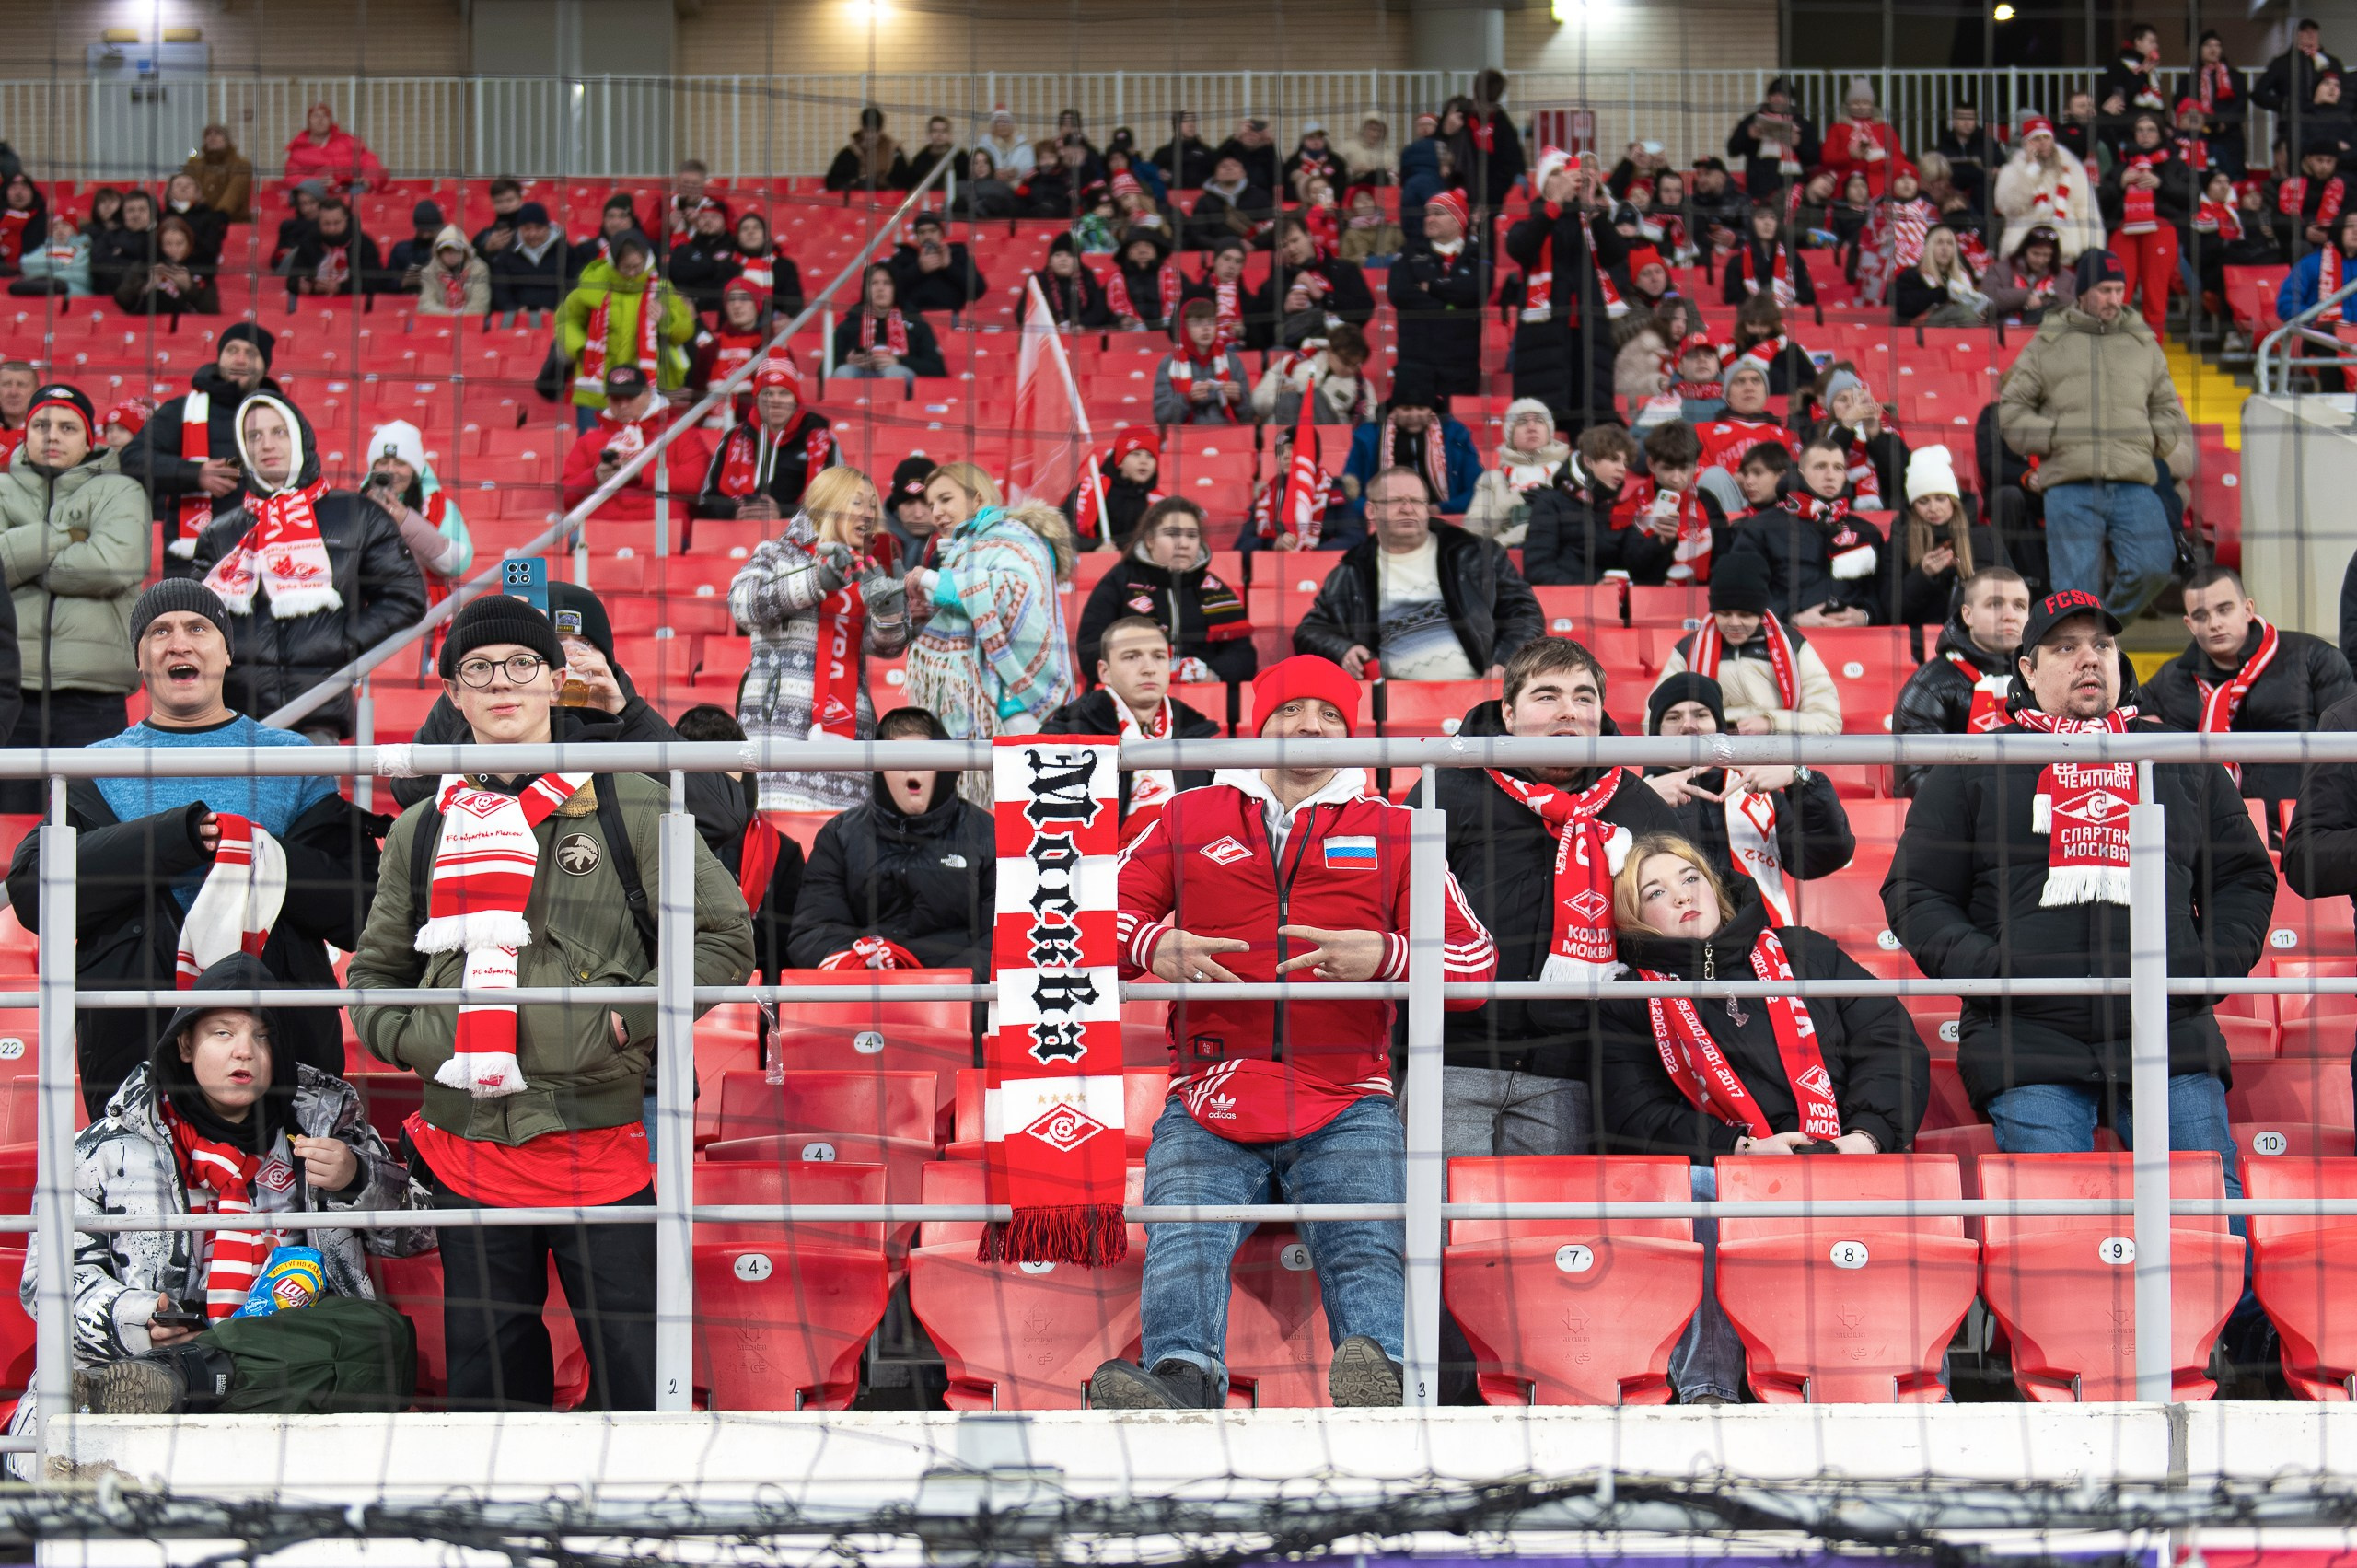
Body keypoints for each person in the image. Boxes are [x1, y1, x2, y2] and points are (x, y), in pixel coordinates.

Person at [349, 595, 755, 1414]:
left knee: (634, 1368)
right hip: (467, 1140)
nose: (502, 682)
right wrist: (427, 1036)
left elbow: (725, 942)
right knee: (490, 1385)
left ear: (557, 682)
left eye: (522, 664)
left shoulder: (630, 800)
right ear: (453, 696)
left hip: (603, 1133)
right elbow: (373, 976)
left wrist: (620, 1020)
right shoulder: (420, 828)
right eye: (478, 669)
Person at [1092, 654, 1497, 1410]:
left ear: (1354, 732)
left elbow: (1473, 964)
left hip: (1346, 1093)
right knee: (1182, 1234)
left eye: (1331, 715)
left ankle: (1381, 1383)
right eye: (1290, 711)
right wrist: (1154, 946)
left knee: (1367, 1242)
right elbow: (1084, 920)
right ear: (1259, 723)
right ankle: (1182, 1381)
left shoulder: (1400, 827)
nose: (1309, 726)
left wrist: (1387, 956)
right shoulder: (1187, 814)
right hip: (1211, 1092)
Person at [1883, 588, 2275, 1171]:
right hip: (2026, 1041)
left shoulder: (2179, 757)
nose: (2089, 658)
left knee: (2213, 1217)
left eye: (2102, 645)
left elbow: (2243, 876)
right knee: (2058, 1225)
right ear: (2028, 670)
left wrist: (2200, 969)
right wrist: (1999, 974)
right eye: (2065, 647)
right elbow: (1915, 893)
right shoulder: (1973, 766)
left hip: (2168, 1036)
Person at [8, 573, 374, 1111]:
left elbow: (361, 905)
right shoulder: (89, 767)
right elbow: (36, 893)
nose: (179, 642)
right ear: (140, 660)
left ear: (226, 652)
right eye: (159, 632)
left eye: (198, 627)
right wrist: (170, 840)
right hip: (135, 1039)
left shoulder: (293, 759)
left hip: (278, 1032)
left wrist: (256, 853)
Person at [11, 952, 425, 1423]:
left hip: (290, 1362)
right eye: (223, 1033)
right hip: (132, 1368)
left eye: (263, 1036)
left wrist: (359, 1179)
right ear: (185, 1045)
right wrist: (137, 1315)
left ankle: (188, 1378)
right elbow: (47, 1284)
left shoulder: (326, 1129)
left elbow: (420, 1234)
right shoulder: (101, 1149)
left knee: (381, 1331)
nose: (244, 1051)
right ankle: (175, 1378)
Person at [1587, 834, 1928, 1405]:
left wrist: (1866, 1138)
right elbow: (1632, 1116)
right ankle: (1710, 1390)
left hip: (1847, 1151)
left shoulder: (1804, 952)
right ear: (1635, 919)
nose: (1680, 896)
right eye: (1655, 891)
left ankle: (1884, 1382)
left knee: (1909, 1183)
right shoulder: (1627, 1001)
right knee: (1698, 1193)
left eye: (1690, 878)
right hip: (1729, 1169)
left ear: (1714, 887)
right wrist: (1739, 1151)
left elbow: (1889, 1043)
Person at [1411, 637, 1678, 1160]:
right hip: (1453, 1059)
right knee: (1442, 1230)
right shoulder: (1448, 786)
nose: (1569, 713)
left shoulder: (1636, 802)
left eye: (1584, 697)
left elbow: (1686, 919)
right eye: (1547, 696)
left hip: (1573, 1068)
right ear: (1508, 713)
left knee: (1540, 1237)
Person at [382, 584, 749, 865]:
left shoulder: (632, 728)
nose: (570, 658)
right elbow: (412, 791)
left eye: (583, 643)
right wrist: (473, 683)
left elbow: (720, 819)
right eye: (554, 645)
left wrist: (627, 714)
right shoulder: (496, 722)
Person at [187, 393, 427, 741]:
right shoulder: (220, 532)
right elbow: (197, 620)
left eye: (279, 432)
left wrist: (341, 643)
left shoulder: (358, 515)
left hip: (316, 716)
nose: (267, 444)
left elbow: (406, 597)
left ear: (300, 437)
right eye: (254, 436)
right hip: (233, 722)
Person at [1997, 248, 2189, 619]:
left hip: (2134, 479)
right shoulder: (2048, 341)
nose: (2115, 299)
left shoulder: (2143, 342)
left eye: (2120, 290)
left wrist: (2151, 441)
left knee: (2155, 566)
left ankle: (2104, 630)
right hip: (2070, 482)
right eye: (2105, 290)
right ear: (2083, 291)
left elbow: (2168, 409)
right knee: (2075, 594)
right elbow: (2012, 411)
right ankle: (2083, 652)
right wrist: (2054, 435)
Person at [727, 466, 910, 814]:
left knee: (837, 848)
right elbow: (743, 606)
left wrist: (889, 615)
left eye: (873, 504)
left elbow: (884, 645)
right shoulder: (777, 552)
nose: (869, 513)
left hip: (848, 734)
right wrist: (816, 580)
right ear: (828, 503)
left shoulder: (868, 566)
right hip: (778, 727)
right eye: (857, 502)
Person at [903, 464, 1076, 803]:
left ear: (977, 497)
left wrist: (932, 581)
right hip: (985, 711)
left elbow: (1009, 594)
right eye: (931, 503)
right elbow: (972, 618)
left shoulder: (1013, 536)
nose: (935, 512)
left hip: (1020, 706)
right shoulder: (968, 548)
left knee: (1034, 812)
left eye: (946, 499)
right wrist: (930, 613)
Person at [784, 703, 992, 974]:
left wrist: (941, 985)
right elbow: (812, 932)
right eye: (898, 760)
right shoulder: (840, 836)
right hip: (864, 995)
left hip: (959, 999)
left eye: (923, 759)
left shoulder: (985, 834)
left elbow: (1002, 940)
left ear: (943, 767)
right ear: (880, 769)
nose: (911, 771)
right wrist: (866, 965)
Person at [1295, 465, 1541, 682]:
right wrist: (1344, 649)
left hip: (1479, 695)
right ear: (1371, 511)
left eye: (1417, 501)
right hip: (1393, 702)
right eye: (1395, 501)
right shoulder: (1353, 570)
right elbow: (1309, 631)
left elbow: (1525, 612)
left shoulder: (1476, 554)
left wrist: (1504, 660)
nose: (1408, 509)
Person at [1643, 674, 1856, 919]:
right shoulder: (1634, 796)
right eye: (1673, 717)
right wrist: (1640, 800)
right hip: (1674, 950)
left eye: (1701, 715)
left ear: (1719, 726)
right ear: (1657, 732)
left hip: (1763, 946)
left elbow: (1822, 859)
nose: (1689, 725)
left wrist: (1801, 779)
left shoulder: (1759, 788)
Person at [2144, 564, 2355, 810]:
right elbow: (2119, 715)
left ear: (2248, 610)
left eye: (2224, 610)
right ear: (2189, 624)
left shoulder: (2314, 658)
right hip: (2207, 831)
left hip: (2301, 825)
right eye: (2201, 616)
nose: (2214, 624)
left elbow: (2348, 745)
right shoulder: (2170, 679)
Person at [1043, 615, 1223, 833]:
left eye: (1158, 656)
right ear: (1104, 672)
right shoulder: (1066, 735)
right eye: (1131, 657)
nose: (1149, 668)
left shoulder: (1197, 733)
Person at [122, 324, 279, 563]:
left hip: (267, 553)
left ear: (265, 366)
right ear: (219, 358)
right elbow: (130, 459)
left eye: (251, 353)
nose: (239, 359)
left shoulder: (282, 414)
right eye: (231, 350)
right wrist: (195, 473)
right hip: (194, 560)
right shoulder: (181, 409)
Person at [1654, 553, 1841, 735]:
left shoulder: (1793, 645)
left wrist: (1771, 722)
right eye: (1725, 614)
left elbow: (1828, 721)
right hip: (1709, 757)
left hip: (1780, 756)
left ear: (1761, 614)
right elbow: (1654, 721)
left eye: (1745, 615)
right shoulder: (1688, 650)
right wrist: (1708, 727)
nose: (1735, 623)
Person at [1074, 496, 1254, 686]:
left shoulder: (1215, 589)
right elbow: (1091, 650)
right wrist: (1143, 672)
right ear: (1150, 539)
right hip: (1131, 696)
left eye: (1192, 536)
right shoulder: (1118, 583)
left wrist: (1210, 672)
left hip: (1205, 694)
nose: (1183, 543)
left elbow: (1244, 656)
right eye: (1172, 534)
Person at [1505, 148, 1625, 430]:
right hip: (1543, 341)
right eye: (1558, 175)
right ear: (1545, 183)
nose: (1569, 181)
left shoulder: (1592, 222)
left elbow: (1617, 254)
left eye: (1573, 176)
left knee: (1590, 422)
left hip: (1589, 338)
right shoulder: (1534, 219)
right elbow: (1521, 247)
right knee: (1540, 424)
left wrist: (1591, 208)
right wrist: (1555, 205)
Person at [1891, 565, 2032, 796]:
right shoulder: (1929, 685)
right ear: (1968, 615)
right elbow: (1917, 781)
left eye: (2019, 605)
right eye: (1995, 604)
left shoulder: (2044, 678)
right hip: (1960, 823)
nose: (2010, 615)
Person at [1726, 434, 1887, 627]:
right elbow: (1741, 590)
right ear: (1800, 472)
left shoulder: (1866, 531)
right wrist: (1792, 619)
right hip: (1783, 641)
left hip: (1856, 642)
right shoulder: (1761, 527)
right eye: (1820, 467)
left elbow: (1882, 592)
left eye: (1838, 468)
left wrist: (1864, 616)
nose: (1830, 475)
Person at [556, 230, 697, 424]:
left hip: (642, 391)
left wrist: (665, 318)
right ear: (613, 263)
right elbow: (565, 321)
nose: (632, 273)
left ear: (647, 261)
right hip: (596, 388)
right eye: (625, 268)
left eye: (637, 267)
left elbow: (685, 331)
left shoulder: (661, 288)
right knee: (593, 450)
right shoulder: (592, 284)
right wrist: (581, 348)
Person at [1336, 377, 1480, 542]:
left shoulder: (1456, 435)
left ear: (1432, 409)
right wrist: (1377, 510)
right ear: (1393, 410)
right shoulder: (1368, 437)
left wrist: (1440, 509)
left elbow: (1477, 488)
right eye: (1406, 409)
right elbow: (1349, 490)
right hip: (1382, 523)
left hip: (1446, 520)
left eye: (1421, 408)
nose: (1414, 415)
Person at [694, 359, 836, 522]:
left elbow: (836, 506)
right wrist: (735, 512)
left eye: (784, 393)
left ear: (796, 400)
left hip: (799, 539)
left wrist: (781, 515)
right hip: (739, 538)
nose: (775, 401)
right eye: (768, 393)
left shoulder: (823, 441)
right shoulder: (733, 437)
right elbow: (706, 502)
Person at [1388, 190, 1488, 402]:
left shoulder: (1477, 256)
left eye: (1438, 213)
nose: (1430, 219)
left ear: (1457, 220)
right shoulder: (1409, 254)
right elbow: (1400, 293)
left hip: (1461, 369)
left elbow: (1477, 291)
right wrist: (1450, 305)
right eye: (1428, 214)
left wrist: (1430, 287)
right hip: (1415, 366)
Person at [2101, 113, 2194, 337]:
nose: (2145, 134)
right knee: (2116, 292)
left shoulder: (2174, 164)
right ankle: (2113, 352)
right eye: (2140, 130)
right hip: (2124, 229)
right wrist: (2120, 183)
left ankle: (2153, 357)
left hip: (2160, 228)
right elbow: (2101, 201)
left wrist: (2162, 184)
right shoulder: (2121, 165)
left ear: (2161, 134)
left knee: (2156, 295)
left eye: (2151, 129)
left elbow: (2192, 196)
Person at [361, 420, 473, 601]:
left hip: (425, 618)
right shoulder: (355, 506)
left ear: (414, 470)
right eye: (382, 462)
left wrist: (406, 522)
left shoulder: (441, 509)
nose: (390, 470)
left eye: (400, 463)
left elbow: (458, 563)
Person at [1521, 424, 1641, 585]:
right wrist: (1591, 590)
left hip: (1612, 604)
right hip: (1562, 604)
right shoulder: (1550, 503)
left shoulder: (1620, 510)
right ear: (1588, 461)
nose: (1621, 469)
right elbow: (1537, 570)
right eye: (1614, 460)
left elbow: (1637, 569)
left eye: (1625, 463)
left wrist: (1661, 542)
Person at [1886, 444, 1987, 628]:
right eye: (1923, 502)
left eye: (1941, 498)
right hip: (1920, 639)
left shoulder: (1983, 537)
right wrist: (1922, 576)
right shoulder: (1899, 541)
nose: (1933, 508)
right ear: (1912, 505)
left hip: (1976, 636)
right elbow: (1891, 613)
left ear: (1953, 500)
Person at [1464, 398, 1571, 545]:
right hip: (1506, 554)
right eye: (1522, 422)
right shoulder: (1492, 478)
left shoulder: (1568, 472)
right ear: (1510, 436)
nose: (1531, 427)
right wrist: (1512, 502)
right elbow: (1472, 531)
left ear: (1549, 431)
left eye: (1539, 421)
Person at [830, 263, 946, 384]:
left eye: (887, 283)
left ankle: (892, 401)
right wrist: (847, 361)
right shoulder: (848, 325)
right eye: (874, 283)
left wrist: (898, 361)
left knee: (894, 372)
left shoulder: (917, 324)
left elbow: (937, 369)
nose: (880, 288)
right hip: (860, 374)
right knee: (843, 371)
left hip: (899, 376)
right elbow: (823, 370)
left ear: (896, 288)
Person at [1251, 324, 1376, 428]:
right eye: (1346, 362)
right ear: (1330, 350)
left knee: (1315, 397)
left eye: (1356, 365)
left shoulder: (1362, 387)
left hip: (1331, 441)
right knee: (1289, 398)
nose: (1350, 369)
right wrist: (1277, 395)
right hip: (1286, 432)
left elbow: (1367, 426)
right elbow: (1257, 403)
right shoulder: (1292, 363)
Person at [1152, 298, 1251, 426]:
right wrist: (1187, 399)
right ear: (1184, 327)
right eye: (1198, 323)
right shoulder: (1169, 363)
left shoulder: (1233, 361)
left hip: (1226, 435)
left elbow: (1249, 417)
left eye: (1211, 322)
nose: (1206, 328)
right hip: (1186, 438)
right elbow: (1161, 417)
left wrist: (1239, 400)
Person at [1064, 426, 1162, 552]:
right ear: (1120, 461)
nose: (1144, 461)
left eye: (1150, 456)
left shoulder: (1158, 501)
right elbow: (1063, 533)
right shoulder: (1092, 489)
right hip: (1090, 564)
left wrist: (1118, 547)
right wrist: (1095, 547)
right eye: (1136, 454)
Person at [1727, 77, 1821, 200]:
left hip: (1793, 186)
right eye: (1774, 94)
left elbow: (1815, 158)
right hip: (1760, 186)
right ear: (1768, 97)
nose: (1778, 99)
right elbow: (1732, 150)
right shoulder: (1753, 120)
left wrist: (1799, 144)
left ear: (1790, 100)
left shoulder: (1802, 124)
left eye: (1783, 95)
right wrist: (1748, 136)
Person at [887, 210, 985, 318]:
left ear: (941, 234)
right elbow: (890, 291)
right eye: (922, 232)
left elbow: (978, 289)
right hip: (914, 319)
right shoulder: (903, 258)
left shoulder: (957, 255)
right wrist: (919, 269)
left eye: (932, 231)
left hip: (952, 318)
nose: (928, 236)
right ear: (917, 237)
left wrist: (950, 266)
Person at [113, 216, 217, 317]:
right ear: (160, 244)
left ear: (189, 244)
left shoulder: (202, 268)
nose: (174, 249)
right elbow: (122, 299)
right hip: (146, 324)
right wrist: (148, 286)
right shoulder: (144, 265)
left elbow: (211, 310)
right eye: (168, 244)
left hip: (186, 326)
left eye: (179, 243)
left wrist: (189, 287)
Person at [283, 198, 386, 298]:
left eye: (337, 223)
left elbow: (375, 282)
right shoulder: (309, 241)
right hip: (315, 303)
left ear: (346, 219)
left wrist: (340, 288)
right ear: (319, 222)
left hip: (353, 304)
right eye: (326, 224)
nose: (332, 229)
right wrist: (304, 286)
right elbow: (292, 279)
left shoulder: (364, 243)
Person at [1892, 225, 1990, 326]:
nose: (1945, 248)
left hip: (1956, 331)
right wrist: (1943, 293)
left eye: (1950, 243)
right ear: (1929, 247)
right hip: (1920, 331)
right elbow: (1901, 307)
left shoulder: (1963, 275)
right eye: (1939, 242)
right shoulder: (1911, 275)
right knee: (1965, 313)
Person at [1723, 204, 1817, 308]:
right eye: (1761, 218)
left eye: (1772, 218)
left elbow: (1808, 294)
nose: (1767, 223)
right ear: (1751, 223)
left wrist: (1796, 303)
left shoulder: (1792, 257)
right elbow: (1731, 299)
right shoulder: (1736, 262)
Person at [1823, 80, 1906, 198]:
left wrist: (1881, 157)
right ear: (1847, 105)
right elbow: (1827, 158)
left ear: (1872, 105)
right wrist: (1850, 154)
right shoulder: (1837, 127)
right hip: (1846, 184)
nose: (1861, 106)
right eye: (1855, 102)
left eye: (1866, 102)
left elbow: (1899, 158)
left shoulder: (1884, 128)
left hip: (1880, 182)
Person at [1983, 224, 2078, 322]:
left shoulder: (2066, 277)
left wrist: (2046, 297)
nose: (2040, 260)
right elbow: (1988, 300)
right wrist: (2025, 296)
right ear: (2025, 250)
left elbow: (2075, 306)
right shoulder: (2000, 269)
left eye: (2046, 255)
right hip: (2007, 326)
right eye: (2035, 254)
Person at [488, 202, 565, 324]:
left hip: (558, 317)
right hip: (516, 319)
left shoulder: (565, 252)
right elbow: (500, 290)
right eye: (527, 228)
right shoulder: (506, 254)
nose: (532, 234)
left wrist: (555, 309)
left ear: (547, 227)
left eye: (538, 228)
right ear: (519, 228)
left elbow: (572, 286)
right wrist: (514, 309)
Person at [280, 101, 382, 192]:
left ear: (331, 120)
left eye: (325, 116)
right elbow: (291, 177)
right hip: (313, 195)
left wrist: (369, 180)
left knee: (358, 192)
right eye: (316, 116)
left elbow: (370, 162)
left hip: (347, 190)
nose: (320, 120)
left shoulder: (347, 142)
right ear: (309, 121)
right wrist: (316, 182)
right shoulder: (299, 148)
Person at [1027, 232, 1112, 329]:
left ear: (1077, 261)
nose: (1063, 259)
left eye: (1069, 255)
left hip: (1083, 336)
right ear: (1050, 261)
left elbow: (1099, 311)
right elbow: (1024, 313)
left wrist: (1082, 324)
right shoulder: (1038, 281)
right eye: (1058, 255)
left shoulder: (1087, 277)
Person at [412, 224, 489, 318]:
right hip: (438, 322)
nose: (451, 254)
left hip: (471, 322)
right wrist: (452, 315)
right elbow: (426, 306)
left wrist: (456, 316)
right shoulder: (429, 271)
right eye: (447, 249)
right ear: (439, 253)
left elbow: (479, 307)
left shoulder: (479, 269)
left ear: (465, 251)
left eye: (456, 250)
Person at [824, 107, 908, 192]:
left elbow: (905, 181)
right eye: (867, 131)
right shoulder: (849, 153)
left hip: (886, 200)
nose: (871, 136)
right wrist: (854, 183)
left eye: (875, 131)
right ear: (862, 128)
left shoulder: (894, 152)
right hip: (857, 201)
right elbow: (832, 182)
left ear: (881, 131)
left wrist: (885, 185)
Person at [180, 124, 252, 221]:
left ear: (227, 140)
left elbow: (234, 193)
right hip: (198, 219)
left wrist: (219, 215)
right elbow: (187, 189)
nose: (212, 137)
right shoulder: (193, 165)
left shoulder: (241, 165)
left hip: (232, 221)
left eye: (218, 133)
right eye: (208, 134)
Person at [385, 201, 447, 290]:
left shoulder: (449, 251)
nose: (426, 236)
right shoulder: (401, 251)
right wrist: (403, 283)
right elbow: (385, 287)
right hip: (406, 299)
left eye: (430, 231)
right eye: (422, 230)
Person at [903, 115, 968, 191]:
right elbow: (911, 186)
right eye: (935, 131)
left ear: (949, 134)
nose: (939, 135)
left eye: (944, 131)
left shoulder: (961, 157)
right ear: (929, 134)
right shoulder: (919, 160)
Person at [981, 109, 1038, 183]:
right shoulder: (984, 146)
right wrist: (993, 172)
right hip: (990, 185)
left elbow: (1030, 167)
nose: (1003, 124)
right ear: (993, 126)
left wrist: (1016, 171)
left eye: (1006, 121)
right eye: (998, 121)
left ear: (1013, 125)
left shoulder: (1024, 146)